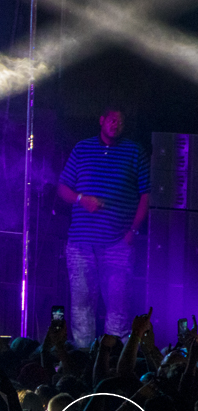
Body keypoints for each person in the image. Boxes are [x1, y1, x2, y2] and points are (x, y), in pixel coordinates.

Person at [56, 105, 150, 346]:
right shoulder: (82, 148)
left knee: (118, 305)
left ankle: (115, 363)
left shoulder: (134, 152)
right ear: (102, 120)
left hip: (117, 242)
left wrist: (132, 232)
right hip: (81, 242)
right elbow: (63, 188)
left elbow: (146, 195)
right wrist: (81, 199)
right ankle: (83, 359)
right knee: (81, 304)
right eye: (111, 119)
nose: (115, 124)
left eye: (120, 121)